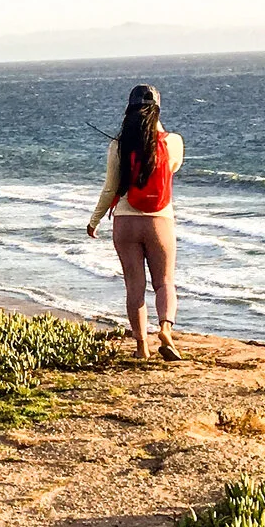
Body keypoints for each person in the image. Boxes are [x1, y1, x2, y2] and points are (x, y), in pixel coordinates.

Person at [86, 84, 184, 360]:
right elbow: (173, 167)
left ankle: (141, 347)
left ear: (128, 109)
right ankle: (165, 330)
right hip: (159, 220)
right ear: (158, 110)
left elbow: (110, 188)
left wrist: (94, 221)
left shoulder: (118, 145)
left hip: (126, 221)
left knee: (134, 285)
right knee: (164, 282)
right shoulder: (172, 142)